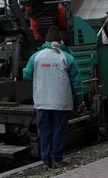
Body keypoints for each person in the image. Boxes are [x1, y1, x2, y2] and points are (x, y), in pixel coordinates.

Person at [23, 26, 83, 169]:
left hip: (42, 101)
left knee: (45, 131)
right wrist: (79, 101)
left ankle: (46, 162)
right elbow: (77, 82)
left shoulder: (36, 57)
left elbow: (26, 75)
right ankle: (57, 158)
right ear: (60, 41)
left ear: (46, 41)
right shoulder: (66, 57)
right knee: (59, 130)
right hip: (60, 101)